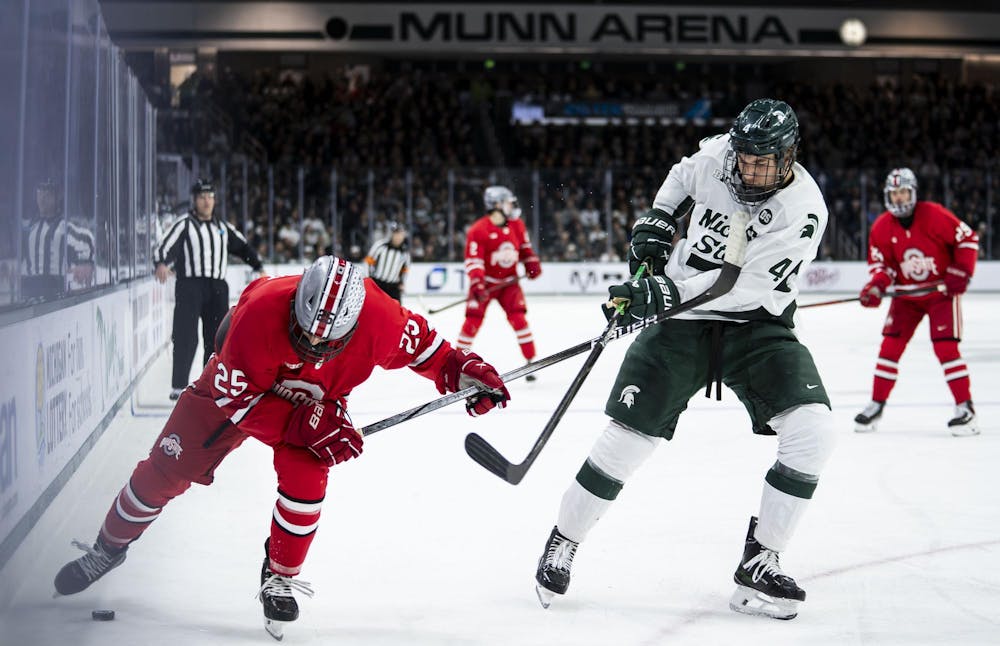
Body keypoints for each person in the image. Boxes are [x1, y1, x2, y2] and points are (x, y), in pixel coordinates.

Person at [53, 255, 510, 639]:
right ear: (295, 304)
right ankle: (108, 548)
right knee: (164, 470)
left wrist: (466, 372)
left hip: (317, 401)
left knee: (307, 483)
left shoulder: (381, 318)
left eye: (325, 339)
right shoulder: (259, 314)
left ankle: (279, 575)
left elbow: (431, 351)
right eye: (304, 329)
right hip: (240, 390)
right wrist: (302, 423)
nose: (312, 341)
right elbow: (235, 400)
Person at [532, 99, 836, 621]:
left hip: (755, 324)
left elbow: (738, 289)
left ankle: (760, 561)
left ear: (790, 155)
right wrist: (658, 222)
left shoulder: (802, 210)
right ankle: (564, 539)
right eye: (747, 157)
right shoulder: (721, 154)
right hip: (681, 322)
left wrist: (661, 294)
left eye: (767, 160)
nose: (753, 169)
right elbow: (680, 178)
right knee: (626, 441)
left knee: (813, 431)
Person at [854, 168, 979, 436]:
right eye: (894, 193)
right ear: (887, 196)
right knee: (889, 348)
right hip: (906, 297)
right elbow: (882, 266)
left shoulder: (934, 214)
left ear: (913, 193)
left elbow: (967, 239)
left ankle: (965, 409)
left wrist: (961, 270)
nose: (899, 198)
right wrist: (876, 286)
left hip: (940, 294)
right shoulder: (881, 227)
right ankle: (876, 404)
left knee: (946, 349)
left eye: (904, 192)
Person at [154, 179, 265, 400]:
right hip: (190, 286)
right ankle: (178, 386)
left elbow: (243, 247)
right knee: (185, 335)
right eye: (202, 197)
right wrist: (161, 263)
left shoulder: (222, 227)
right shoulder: (184, 224)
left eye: (210, 197)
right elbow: (164, 246)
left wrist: (258, 266)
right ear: (194, 200)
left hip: (217, 288)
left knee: (215, 338)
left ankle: (210, 384)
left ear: (214, 200)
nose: (206, 201)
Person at [458, 185, 542, 381]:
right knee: (472, 321)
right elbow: (474, 260)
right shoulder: (478, 230)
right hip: (485, 283)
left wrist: (532, 263)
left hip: (509, 283)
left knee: (519, 319)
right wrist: (478, 283)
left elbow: (525, 250)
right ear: (496, 205)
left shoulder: (517, 225)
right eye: (508, 202)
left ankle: (531, 361)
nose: (512, 206)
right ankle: (457, 362)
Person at [21, 178, 95, 302]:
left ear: (57, 197)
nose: (42, 197)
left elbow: (87, 239)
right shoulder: (30, 226)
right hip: (29, 291)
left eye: (48, 192)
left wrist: (87, 264)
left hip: (53, 291)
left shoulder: (64, 227)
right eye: (40, 191)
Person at [364, 221, 410, 302]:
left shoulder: (405, 252)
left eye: (400, 234)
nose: (398, 236)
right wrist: (369, 279)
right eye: (396, 233)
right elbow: (368, 262)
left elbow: (405, 269)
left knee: (396, 312)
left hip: (393, 286)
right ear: (392, 234)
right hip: (378, 284)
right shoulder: (380, 245)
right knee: (375, 307)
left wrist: (402, 283)